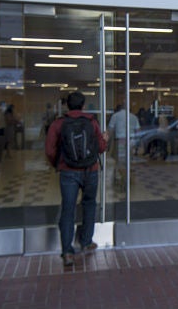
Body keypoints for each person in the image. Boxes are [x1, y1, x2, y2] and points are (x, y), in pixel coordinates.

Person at [45, 92, 109, 266]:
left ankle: (67, 251)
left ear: (67, 105)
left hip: (68, 172)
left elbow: (50, 150)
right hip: (91, 170)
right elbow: (101, 148)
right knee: (89, 204)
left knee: (68, 208)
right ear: (83, 105)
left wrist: (58, 164)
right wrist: (105, 139)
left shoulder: (58, 123)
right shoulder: (92, 122)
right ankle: (86, 242)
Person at [108, 103, 140, 179]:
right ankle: (127, 174)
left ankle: (121, 175)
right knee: (128, 157)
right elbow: (138, 130)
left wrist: (108, 141)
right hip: (131, 139)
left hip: (119, 139)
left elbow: (111, 129)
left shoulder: (115, 116)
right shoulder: (133, 116)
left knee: (120, 158)